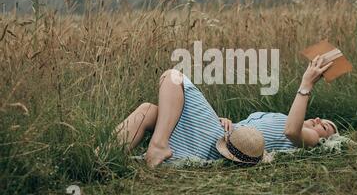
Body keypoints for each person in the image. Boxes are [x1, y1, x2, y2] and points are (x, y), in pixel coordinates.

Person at [113, 54, 337, 167]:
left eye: (325, 126)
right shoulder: (286, 118)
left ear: (324, 138)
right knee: (148, 110)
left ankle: (159, 145)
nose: (318, 120)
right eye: (321, 119)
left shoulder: (310, 139)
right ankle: (104, 157)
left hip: (218, 146)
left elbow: (291, 131)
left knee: (172, 76)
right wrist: (227, 120)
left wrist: (306, 84)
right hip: (218, 134)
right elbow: (246, 130)